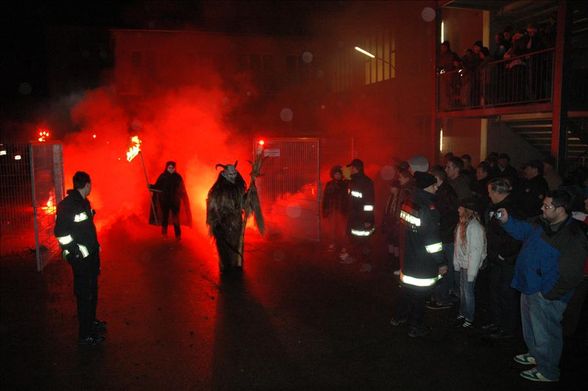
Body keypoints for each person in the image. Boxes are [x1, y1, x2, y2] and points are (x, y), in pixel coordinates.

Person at [497, 190, 588, 382]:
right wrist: (507, 220)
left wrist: (550, 293)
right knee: (531, 327)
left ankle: (548, 370)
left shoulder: (572, 236)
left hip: (546, 293)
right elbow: (522, 230)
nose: (542, 208)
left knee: (547, 332)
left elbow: (572, 274)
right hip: (529, 285)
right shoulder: (542, 222)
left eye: (547, 206)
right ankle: (535, 354)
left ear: (561, 209)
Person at [391, 171, 447, 338]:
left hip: (408, 257)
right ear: (426, 187)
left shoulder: (408, 203)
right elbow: (432, 242)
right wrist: (441, 262)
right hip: (423, 262)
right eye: (433, 185)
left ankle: (398, 317)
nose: (436, 188)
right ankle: (416, 327)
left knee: (407, 291)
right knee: (420, 296)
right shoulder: (429, 209)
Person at [54, 171, 106, 346]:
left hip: (91, 257)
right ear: (87, 185)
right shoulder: (67, 205)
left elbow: (85, 228)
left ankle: (91, 322)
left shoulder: (83, 202)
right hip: (81, 259)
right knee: (84, 295)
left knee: (92, 291)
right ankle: (85, 335)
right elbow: (61, 234)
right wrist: (75, 251)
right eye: (91, 184)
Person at [482, 177, 522, 340]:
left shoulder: (509, 209)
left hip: (505, 260)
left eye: (490, 191)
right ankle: (497, 322)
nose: (489, 195)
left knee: (506, 293)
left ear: (498, 192)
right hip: (497, 258)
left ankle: (507, 327)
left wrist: (504, 255)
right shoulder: (498, 207)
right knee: (495, 291)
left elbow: (515, 236)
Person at [206, 161, 263, 274]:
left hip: (236, 223)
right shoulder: (217, 190)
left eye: (234, 174)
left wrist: (249, 195)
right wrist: (215, 224)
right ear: (224, 175)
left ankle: (236, 265)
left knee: (236, 244)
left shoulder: (239, 188)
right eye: (230, 175)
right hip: (222, 223)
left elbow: (243, 204)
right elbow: (211, 207)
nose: (232, 177)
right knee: (224, 247)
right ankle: (226, 268)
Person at [428, 165, 459, 310]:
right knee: (441, 267)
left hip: (446, 237)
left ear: (436, 178)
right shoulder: (441, 191)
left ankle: (443, 298)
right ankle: (439, 295)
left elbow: (447, 216)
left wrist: (439, 229)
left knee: (445, 268)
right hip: (443, 235)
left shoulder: (445, 193)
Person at [453, 197, 487, 329]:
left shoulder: (475, 227)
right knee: (462, 290)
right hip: (463, 264)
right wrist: (457, 262)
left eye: (460, 207)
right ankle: (463, 312)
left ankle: (469, 316)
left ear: (468, 210)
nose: (458, 209)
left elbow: (476, 251)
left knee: (468, 291)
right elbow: (458, 246)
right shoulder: (462, 224)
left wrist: (472, 273)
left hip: (470, 266)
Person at [339, 159, 375, 268]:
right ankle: (354, 258)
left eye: (351, 168)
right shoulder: (352, 181)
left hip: (362, 218)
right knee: (354, 239)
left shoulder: (366, 182)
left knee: (364, 241)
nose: (349, 170)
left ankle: (366, 264)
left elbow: (369, 203)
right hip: (354, 217)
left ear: (355, 168)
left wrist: (368, 220)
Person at [149, 161, 192, 240]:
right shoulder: (163, 176)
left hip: (175, 202)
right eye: (169, 167)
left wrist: (181, 196)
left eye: (172, 168)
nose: (171, 169)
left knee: (176, 218)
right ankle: (164, 234)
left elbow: (182, 188)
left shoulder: (178, 177)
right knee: (165, 218)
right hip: (165, 201)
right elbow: (158, 186)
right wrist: (151, 186)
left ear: (175, 168)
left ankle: (178, 236)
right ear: (167, 167)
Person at [322, 165, 349, 252]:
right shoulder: (329, 184)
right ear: (332, 175)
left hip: (342, 209)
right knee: (332, 228)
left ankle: (344, 246)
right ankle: (332, 244)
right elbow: (325, 198)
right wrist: (324, 210)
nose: (337, 176)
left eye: (339, 174)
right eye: (336, 174)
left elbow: (347, 197)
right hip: (332, 209)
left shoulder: (345, 184)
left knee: (343, 229)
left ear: (342, 175)